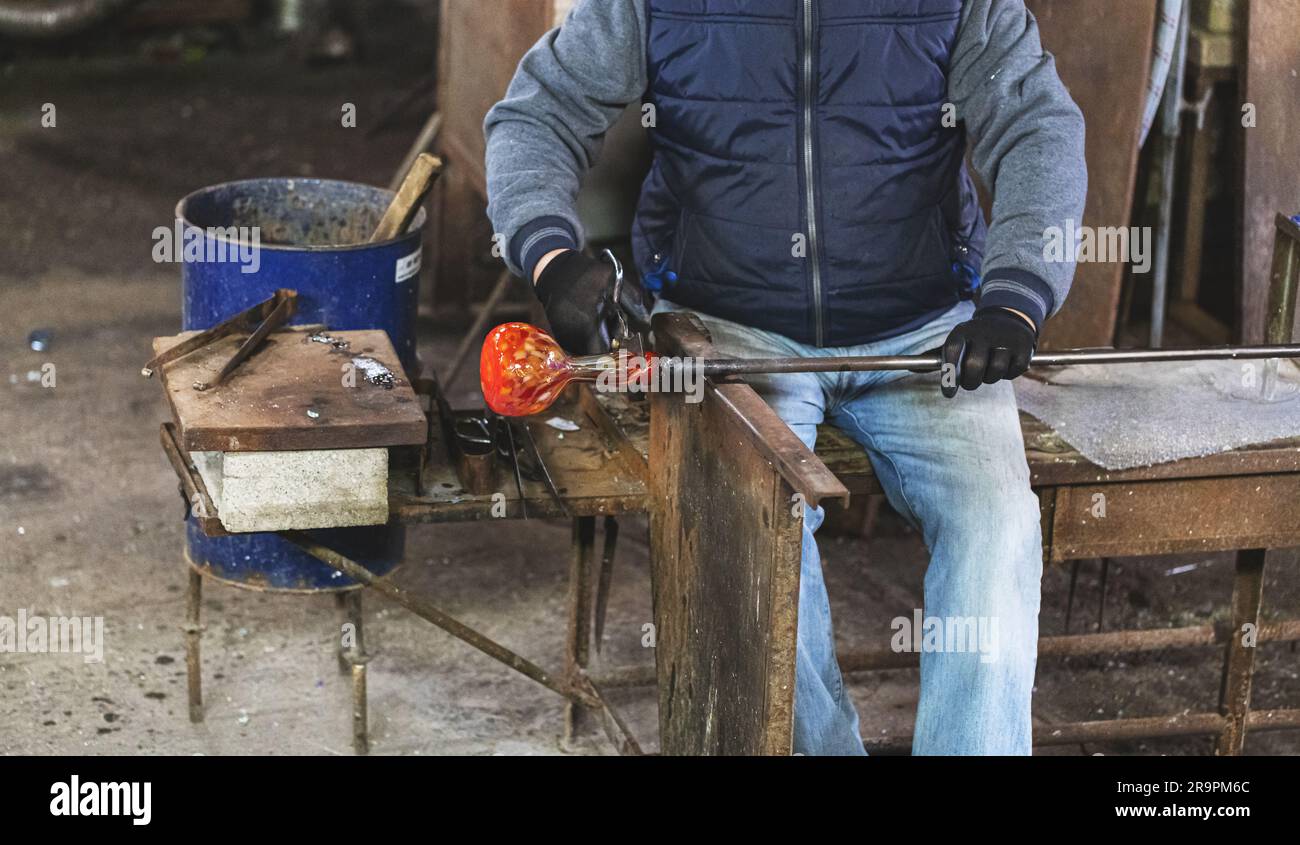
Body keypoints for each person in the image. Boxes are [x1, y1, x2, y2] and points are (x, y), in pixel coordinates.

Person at [485, 0, 1087, 755]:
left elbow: (1038, 126)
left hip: (925, 330)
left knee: (996, 529)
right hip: (731, 325)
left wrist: (1016, 298)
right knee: (758, 542)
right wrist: (550, 256)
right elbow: (535, 115)